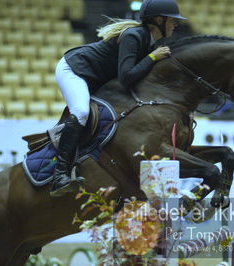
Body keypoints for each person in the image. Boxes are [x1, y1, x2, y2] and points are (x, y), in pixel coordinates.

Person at [49, 0, 187, 197]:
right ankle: (59, 175)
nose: (176, 24)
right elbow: (127, 77)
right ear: (159, 20)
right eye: (173, 21)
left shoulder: (150, 42)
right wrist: (152, 58)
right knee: (81, 111)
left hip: (97, 77)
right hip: (75, 70)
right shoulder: (135, 36)